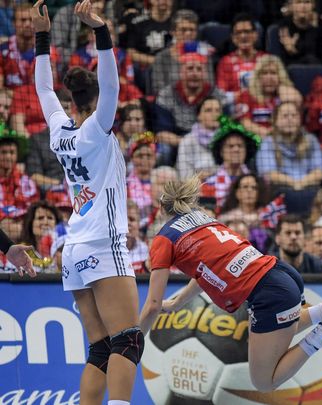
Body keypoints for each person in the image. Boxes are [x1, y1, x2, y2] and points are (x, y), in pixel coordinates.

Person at [138, 176, 322, 392]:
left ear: (161, 208)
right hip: (282, 273)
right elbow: (203, 274)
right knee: (285, 330)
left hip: (268, 292)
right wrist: (178, 301)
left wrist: (133, 342)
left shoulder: (163, 238)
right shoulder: (204, 219)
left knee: (263, 382)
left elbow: (152, 306)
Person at [33, 2, 141, 405]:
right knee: (127, 341)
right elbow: (112, 88)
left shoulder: (60, 132)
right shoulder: (97, 130)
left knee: (100, 349)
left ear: (72, 103)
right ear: (94, 103)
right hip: (103, 242)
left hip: (74, 248)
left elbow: (44, 89)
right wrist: (101, 32)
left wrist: (42, 39)